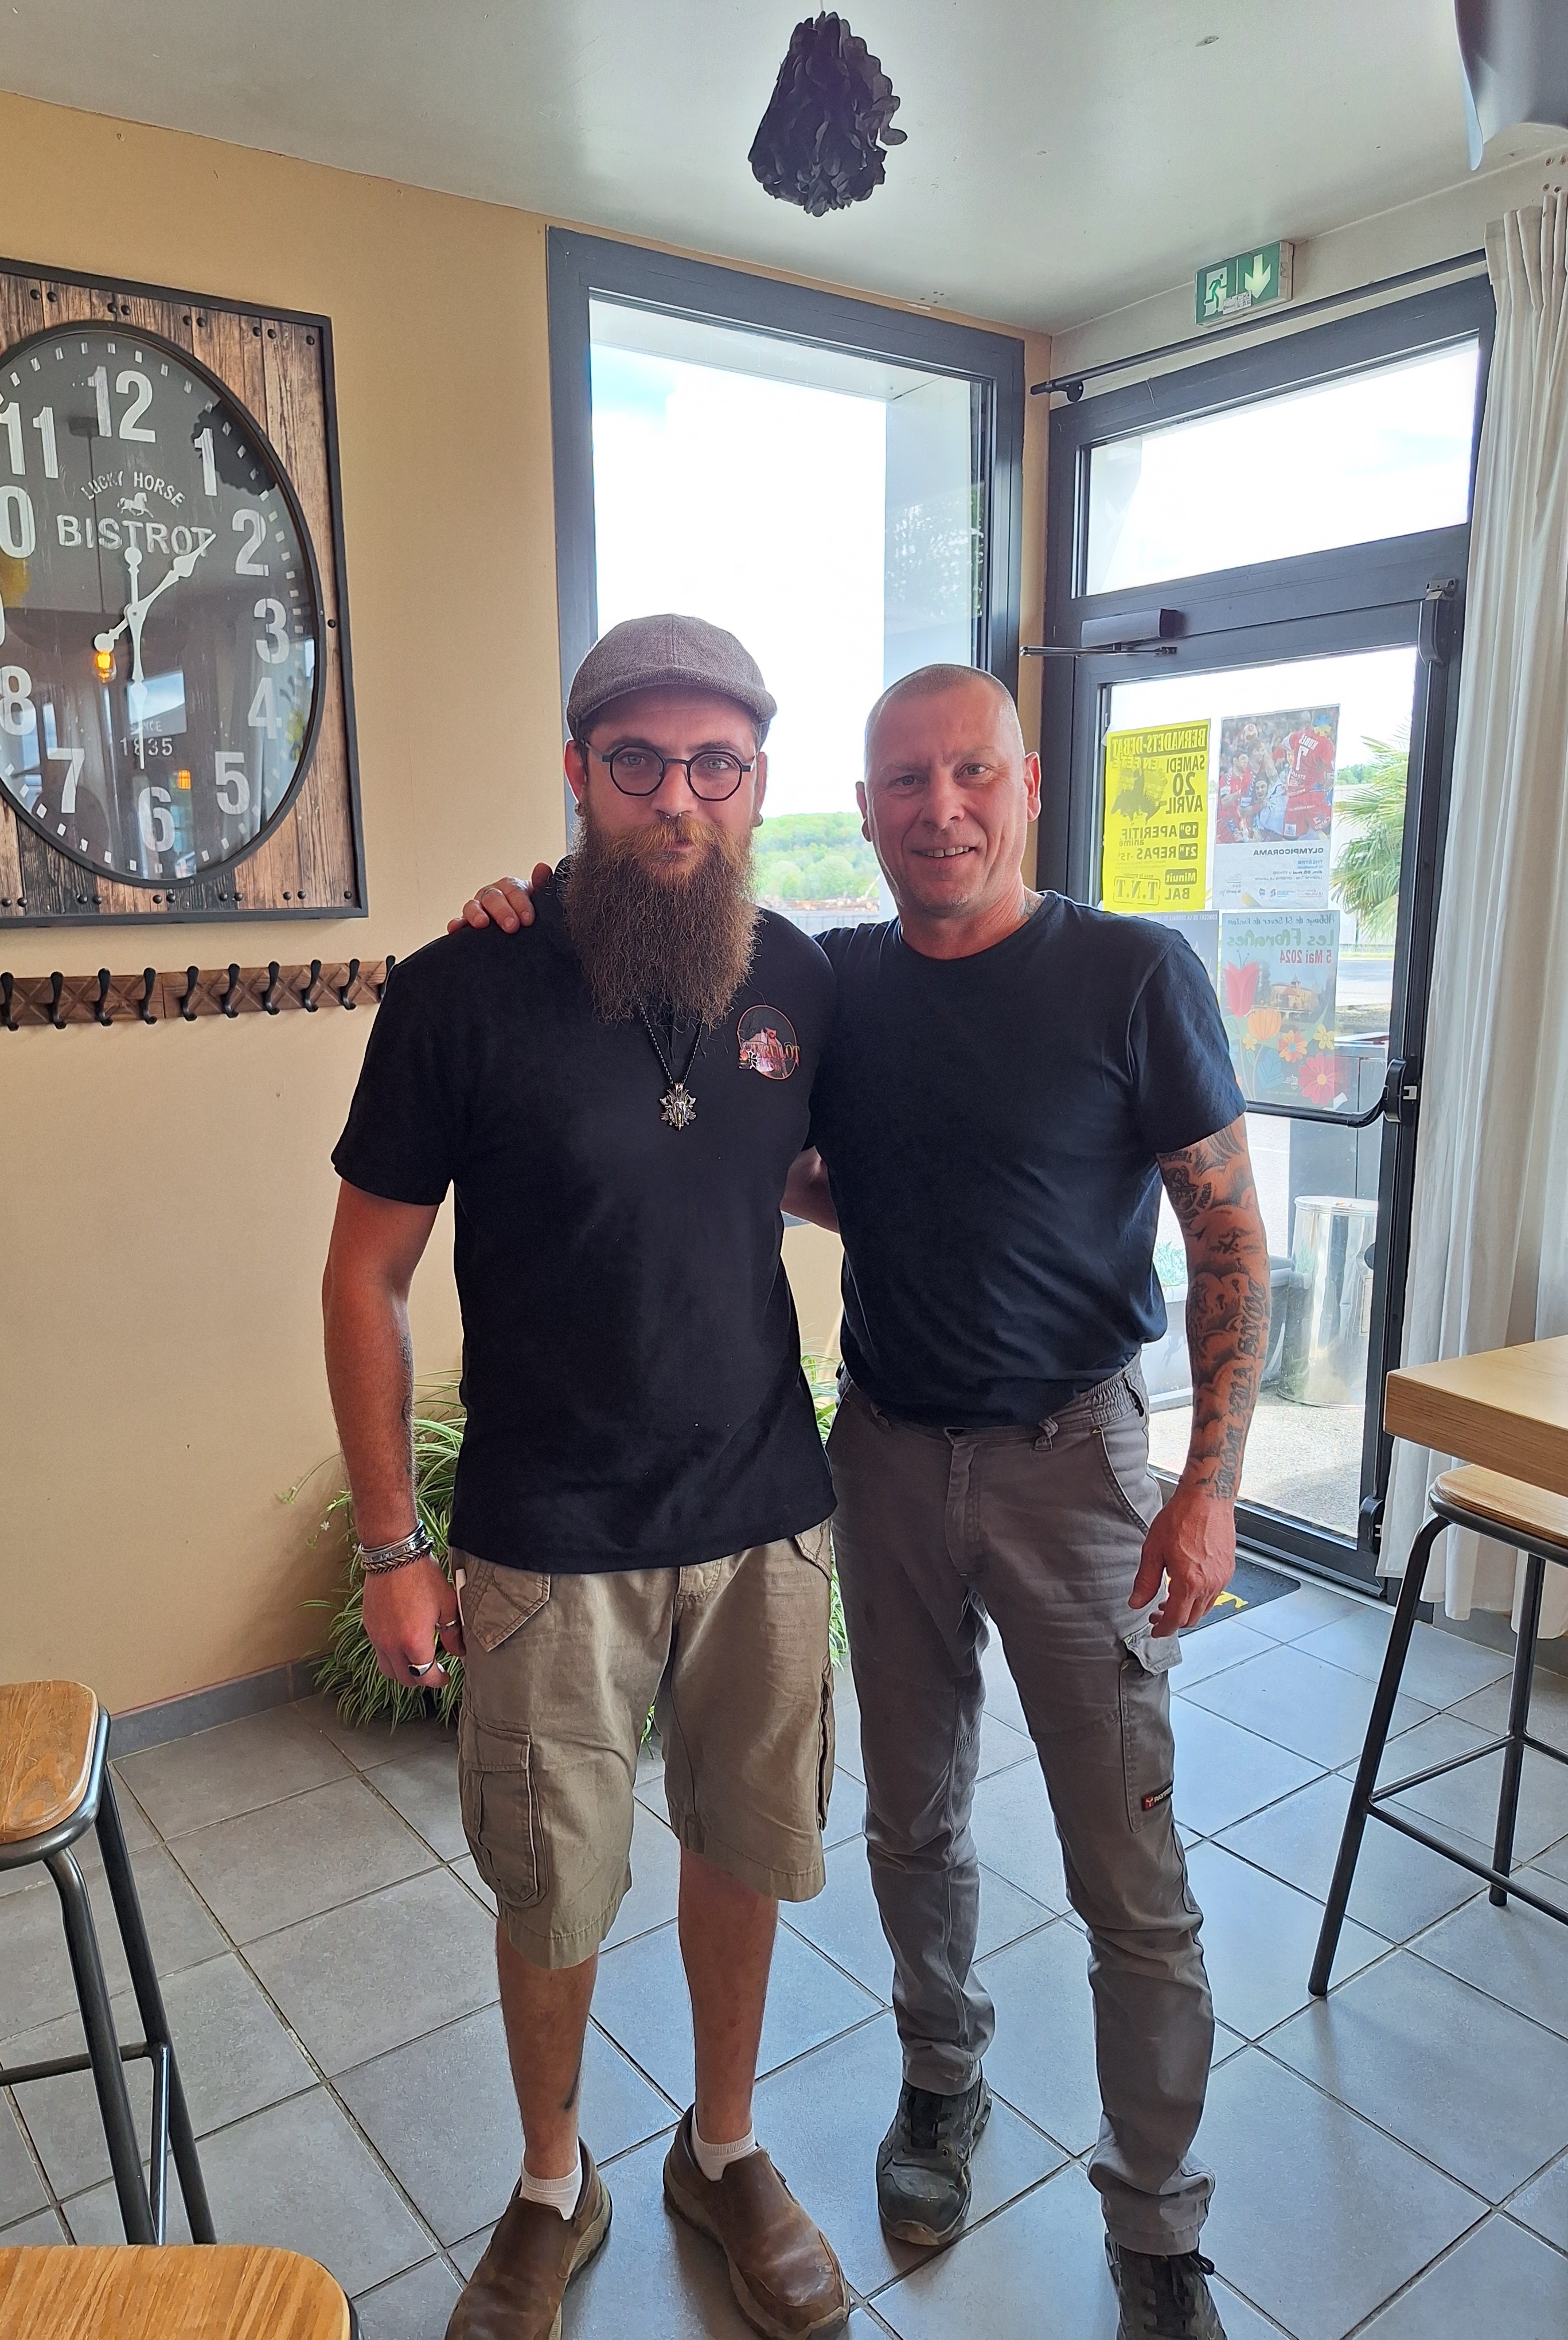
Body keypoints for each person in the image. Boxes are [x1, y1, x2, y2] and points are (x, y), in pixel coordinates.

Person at [458, 662, 1269, 2340]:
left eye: (970, 773)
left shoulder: (1134, 975)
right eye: (904, 782)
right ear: (862, 807)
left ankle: (1156, 2222)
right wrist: (538, 901)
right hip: (885, 1455)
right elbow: (772, 1139)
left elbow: (1227, 1236)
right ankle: (940, 2079)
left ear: (1025, 784)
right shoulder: (835, 985)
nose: (939, 810)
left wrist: (1208, 1484)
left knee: (1128, 1868)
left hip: (1078, 1468)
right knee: (912, 1823)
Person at [322, 613, 851, 2340]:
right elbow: (365, 1278)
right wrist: (393, 1542)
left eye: (715, 765)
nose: (676, 798)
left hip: (764, 1513)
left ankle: (723, 2147)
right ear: (577, 774)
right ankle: (554, 2182)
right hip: (548, 1534)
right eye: (637, 763)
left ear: (756, 782)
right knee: (550, 1885)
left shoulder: (800, 980)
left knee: (744, 1846)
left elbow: (828, 1175)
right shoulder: (459, 988)